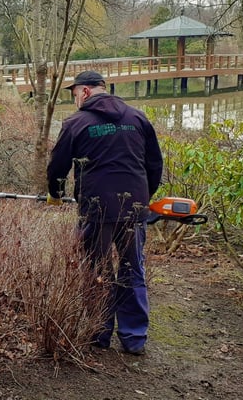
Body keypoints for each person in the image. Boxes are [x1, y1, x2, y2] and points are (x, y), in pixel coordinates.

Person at [46, 70, 163, 355]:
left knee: (96, 270)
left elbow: (57, 166)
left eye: (75, 94)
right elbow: (154, 165)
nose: (75, 100)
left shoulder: (76, 122)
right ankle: (134, 338)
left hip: (96, 209)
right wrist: (143, 197)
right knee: (132, 268)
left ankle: (99, 333)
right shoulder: (137, 117)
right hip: (134, 208)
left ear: (85, 92)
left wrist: (55, 195)